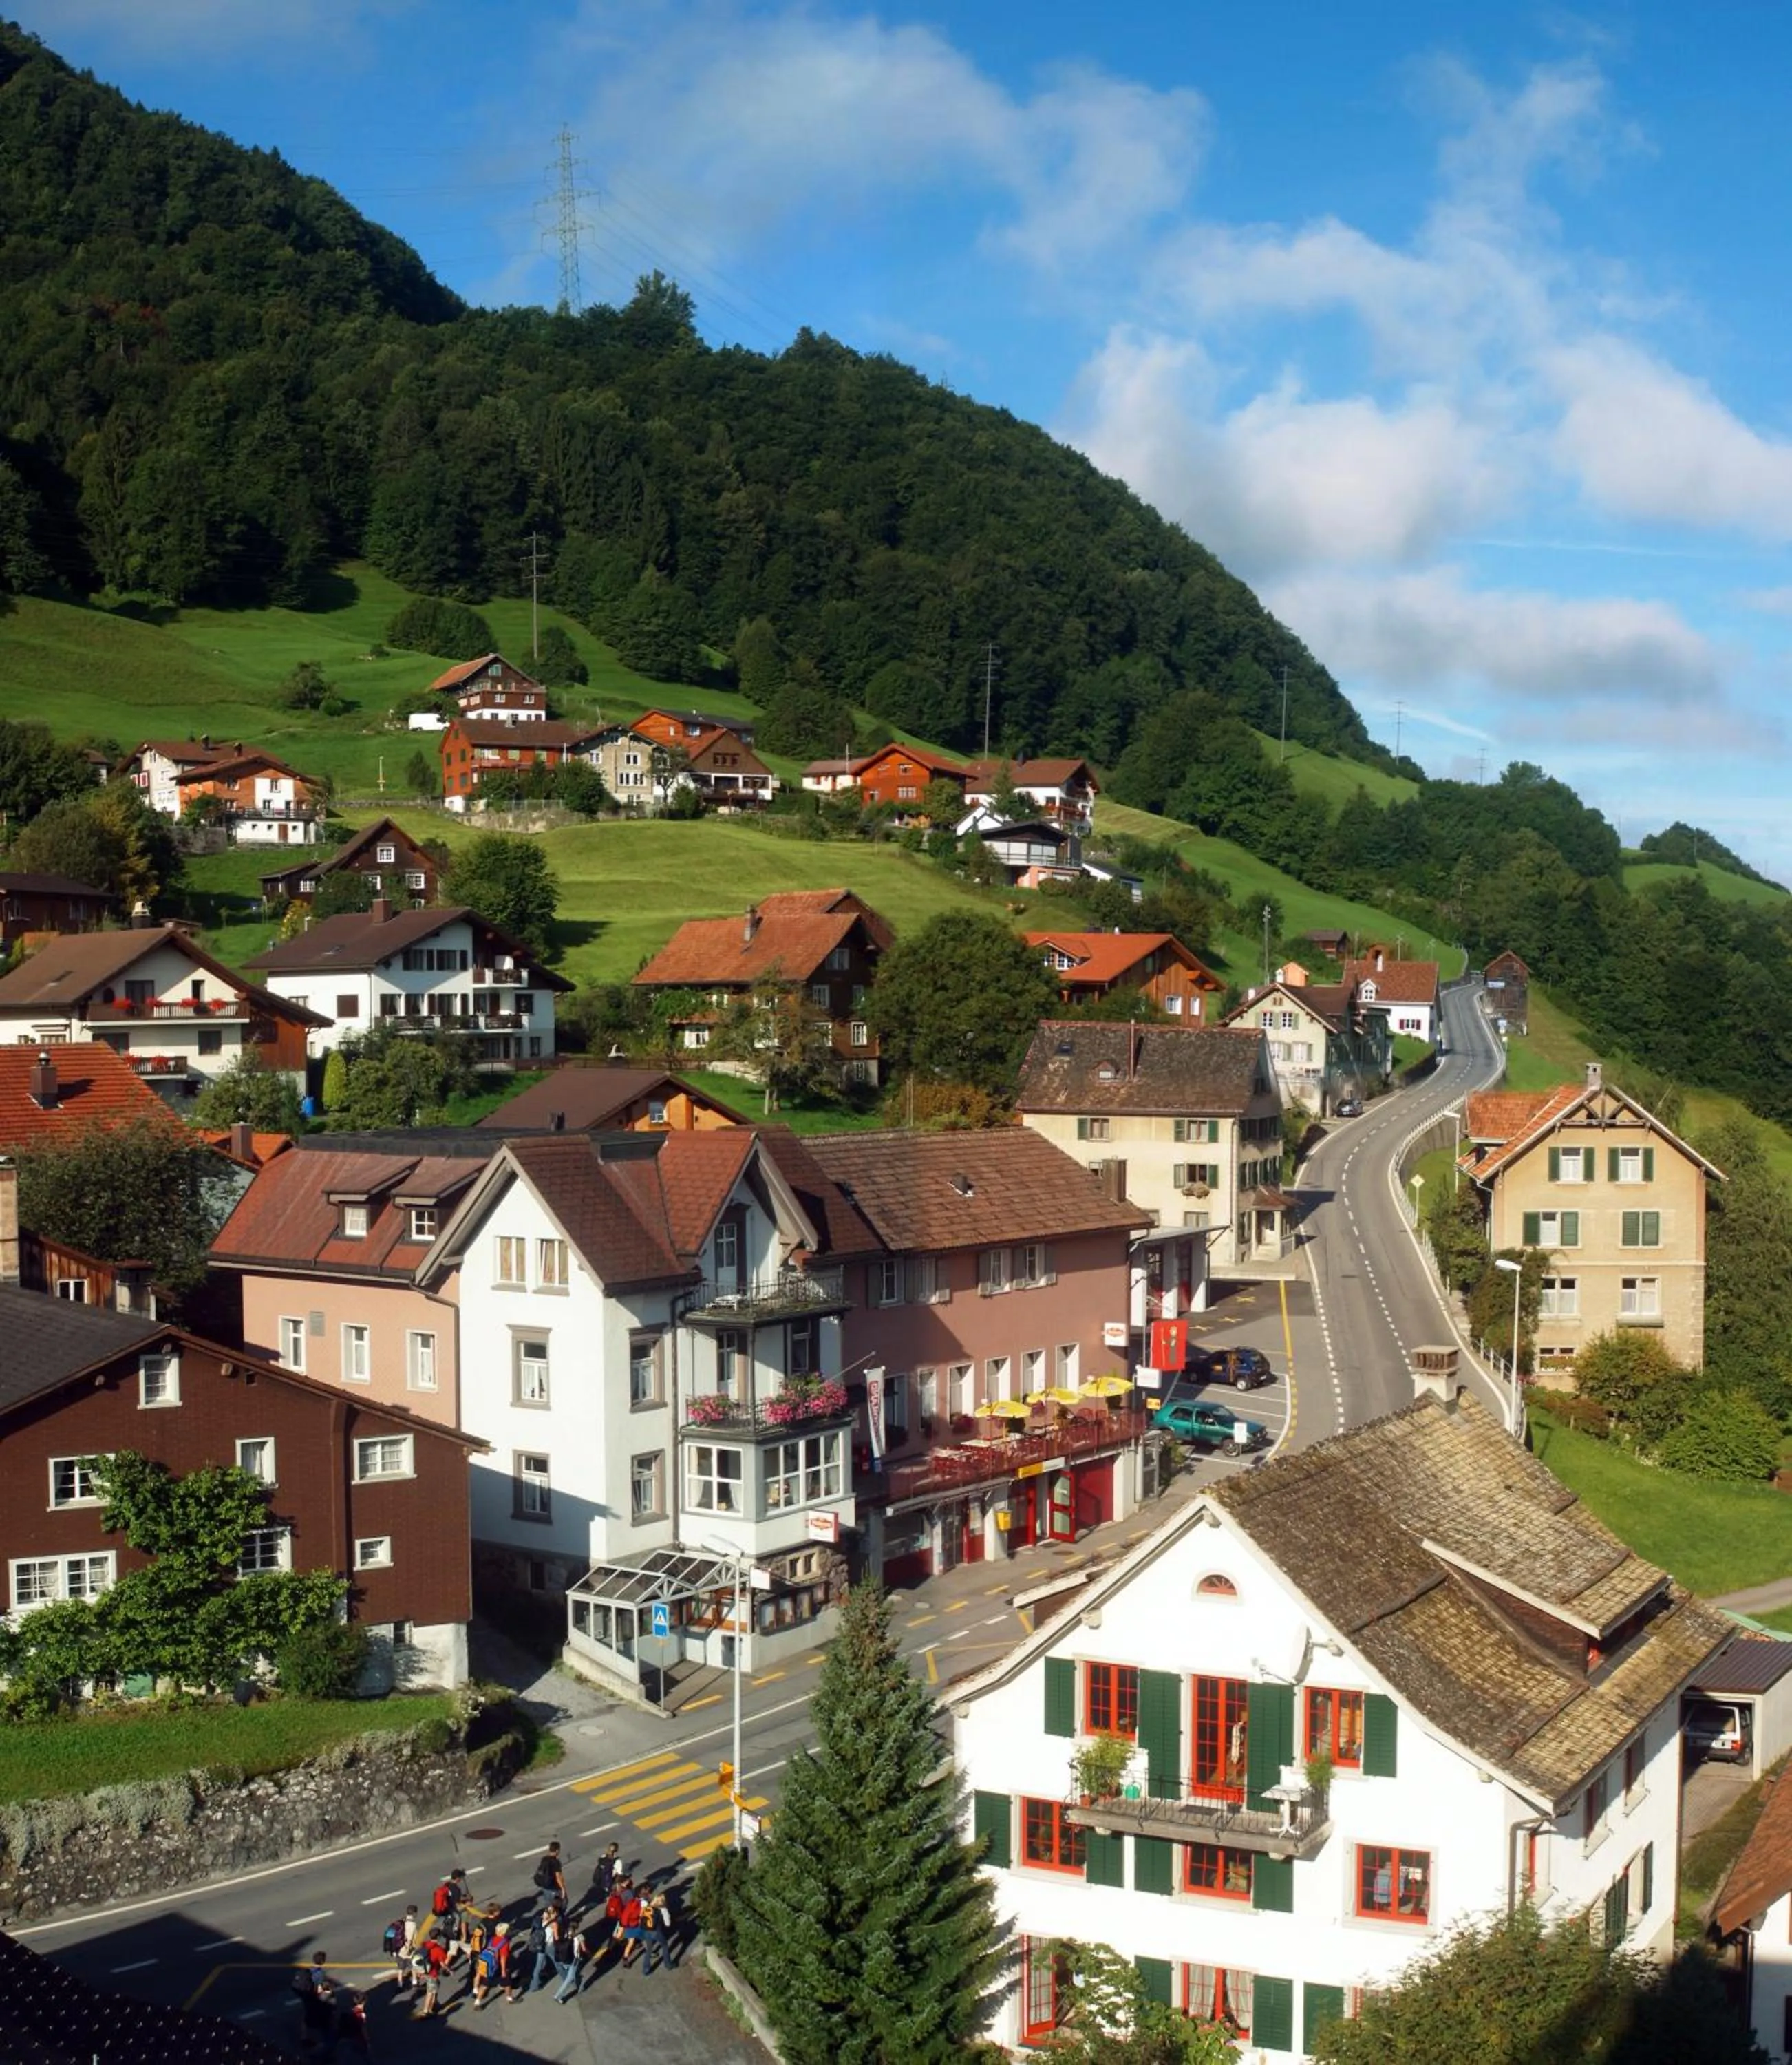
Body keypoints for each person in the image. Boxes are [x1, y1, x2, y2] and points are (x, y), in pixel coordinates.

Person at [530, 1900, 578, 2003]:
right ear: (555, 1913)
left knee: (538, 1965)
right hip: (550, 1946)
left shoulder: (543, 1918)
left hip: (541, 1945)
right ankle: (566, 1979)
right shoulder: (554, 1923)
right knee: (558, 1963)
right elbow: (556, 1937)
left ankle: (534, 1985)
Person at [290, 1950, 334, 2056]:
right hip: (314, 1998)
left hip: (306, 1996)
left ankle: (304, 2037)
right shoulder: (320, 1973)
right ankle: (323, 2045)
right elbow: (321, 1990)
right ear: (323, 1961)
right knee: (323, 2019)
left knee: (306, 2016)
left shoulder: (308, 1971)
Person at [385, 1903, 419, 1992]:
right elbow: (411, 1939)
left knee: (400, 1968)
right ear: (414, 1913)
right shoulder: (413, 1925)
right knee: (413, 1967)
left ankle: (400, 1984)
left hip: (399, 1949)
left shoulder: (401, 1921)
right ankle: (414, 1982)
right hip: (408, 1950)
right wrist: (410, 1949)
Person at [614, 1884, 647, 1970]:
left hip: (628, 1923)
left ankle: (625, 1958)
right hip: (635, 1924)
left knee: (630, 1941)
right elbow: (641, 1915)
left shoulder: (633, 1900)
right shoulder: (644, 1903)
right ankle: (650, 1951)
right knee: (643, 1937)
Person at [532, 1838, 568, 1911]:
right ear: (557, 1850)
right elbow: (559, 1877)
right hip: (554, 1888)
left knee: (549, 1906)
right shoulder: (556, 1862)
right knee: (562, 1905)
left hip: (545, 1887)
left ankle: (549, 1919)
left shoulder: (544, 1859)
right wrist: (563, 1889)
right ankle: (558, 1920)